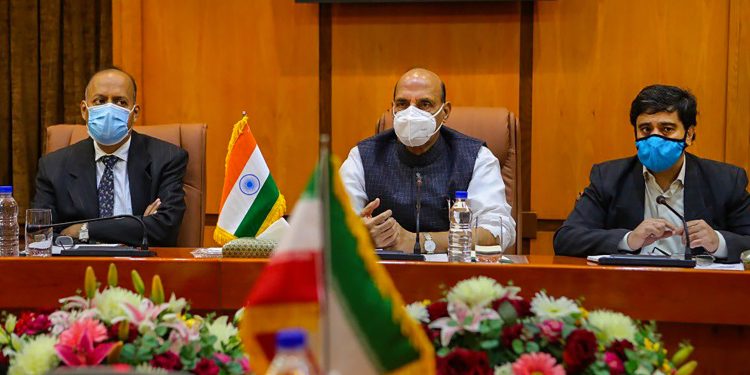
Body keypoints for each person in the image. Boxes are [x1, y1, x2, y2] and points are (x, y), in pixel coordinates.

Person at [554, 84, 750, 262]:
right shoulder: (608, 177)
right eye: (646, 129)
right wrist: (629, 240)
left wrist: (718, 242)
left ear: (688, 135)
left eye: (667, 129)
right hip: (627, 289)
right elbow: (566, 239)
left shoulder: (726, 180)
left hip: (698, 291)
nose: (655, 137)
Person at [340, 68, 515, 252]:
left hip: (453, 273)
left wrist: (418, 242)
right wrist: (359, 234)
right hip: (382, 275)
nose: (411, 113)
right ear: (393, 109)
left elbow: (498, 232)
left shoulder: (476, 157)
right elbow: (333, 226)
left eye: (424, 104)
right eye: (402, 103)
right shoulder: (363, 156)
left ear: (445, 112)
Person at [32, 67, 188, 246]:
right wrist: (138, 225)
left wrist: (84, 229)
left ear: (134, 113)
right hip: (80, 268)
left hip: (143, 268)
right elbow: (42, 235)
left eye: (120, 102)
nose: (109, 108)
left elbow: (164, 230)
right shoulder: (53, 166)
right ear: (84, 110)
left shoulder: (167, 159)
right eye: (100, 101)